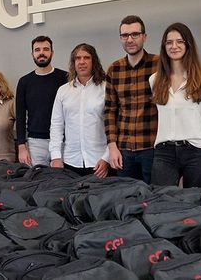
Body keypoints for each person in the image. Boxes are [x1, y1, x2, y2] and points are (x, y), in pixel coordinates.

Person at [149, 23, 201, 187]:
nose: (174, 46)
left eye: (180, 41)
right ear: (164, 46)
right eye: (169, 42)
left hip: (197, 150)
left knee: (197, 200)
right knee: (162, 199)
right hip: (164, 152)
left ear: (188, 45)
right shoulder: (154, 80)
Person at [104, 15, 159, 183]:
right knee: (126, 195)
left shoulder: (159, 64)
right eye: (125, 35)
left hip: (153, 147)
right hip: (124, 150)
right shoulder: (114, 69)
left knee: (154, 194)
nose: (129, 39)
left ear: (144, 37)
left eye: (135, 34)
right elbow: (109, 111)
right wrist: (112, 147)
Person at [49, 44, 111, 178]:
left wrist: (107, 158)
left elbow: (114, 126)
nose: (82, 62)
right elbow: (56, 126)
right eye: (78, 58)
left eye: (86, 58)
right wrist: (56, 156)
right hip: (70, 162)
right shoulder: (63, 91)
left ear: (94, 61)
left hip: (99, 162)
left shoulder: (106, 89)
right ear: (73, 63)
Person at [15, 35, 68, 166]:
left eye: (46, 49)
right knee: (37, 178)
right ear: (32, 54)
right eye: (37, 50)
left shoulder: (65, 78)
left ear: (52, 53)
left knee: (62, 178)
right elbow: (20, 116)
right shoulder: (24, 82)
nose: (41, 53)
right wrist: (21, 146)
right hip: (35, 143)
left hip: (62, 141)